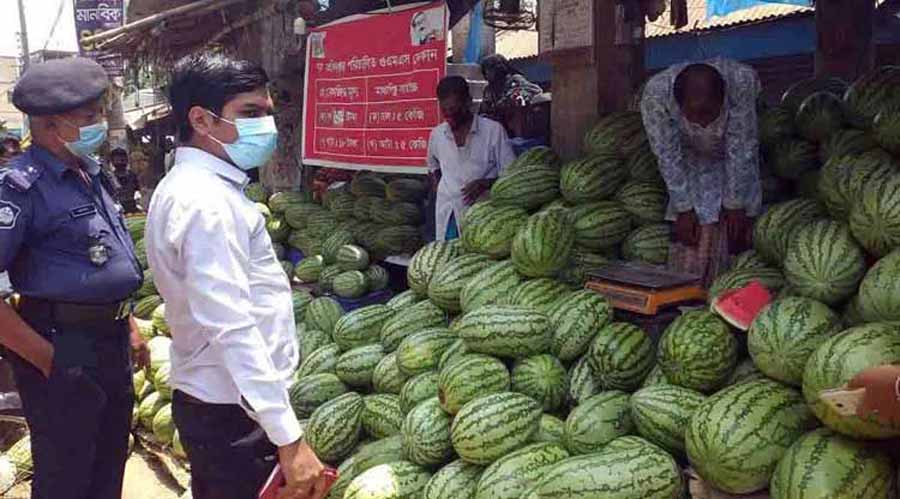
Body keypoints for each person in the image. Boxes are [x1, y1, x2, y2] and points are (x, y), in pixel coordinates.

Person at [144, 53, 326, 499]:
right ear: (201, 120)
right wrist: (287, 436)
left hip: (221, 404)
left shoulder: (191, 187)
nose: (266, 126)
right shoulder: (206, 202)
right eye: (249, 113)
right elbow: (231, 325)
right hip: (234, 412)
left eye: (267, 113)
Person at [0, 57, 148, 499]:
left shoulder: (91, 175)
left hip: (111, 341)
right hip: (61, 344)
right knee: (67, 476)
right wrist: (48, 359)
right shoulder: (18, 187)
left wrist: (131, 323)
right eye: (89, 117)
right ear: (49, 124)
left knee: (107, 467)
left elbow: (104, 264)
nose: (100, 124)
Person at [640, 58, 763, 287]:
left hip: (732, 153)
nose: (704, 123)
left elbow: (742, 146)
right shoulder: (655, 97)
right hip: (687, 156)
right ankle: (690, 291)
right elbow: (667, 154)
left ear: (723, 99)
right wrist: (684, 208)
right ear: (678, 104)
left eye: (710, 112)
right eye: (695, 114)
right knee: (693, 229)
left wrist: (735, 204)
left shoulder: (741, 82)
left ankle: (733, 285)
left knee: (737, 226)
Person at [427, 75, 515, 241]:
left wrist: (485, 184)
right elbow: (433, 167)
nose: (449, 116)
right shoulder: (437, 135)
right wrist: (442, 188)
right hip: (447, 214)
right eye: (444, 110)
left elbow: (511, 176)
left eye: (454, 110)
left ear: (468, 102)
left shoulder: (493, 131)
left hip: (484, 217)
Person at [479, 54, 543, 135]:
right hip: (495, 127)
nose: (487, 73)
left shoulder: (514, 79)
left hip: (513, 126)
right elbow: (483, 110)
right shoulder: (488, 89)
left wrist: (514, 95)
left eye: (489, 70)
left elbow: (535, 90)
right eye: (485, 71)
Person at [110, 147, 141, 214]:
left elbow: (138, 192)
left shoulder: (133, 176)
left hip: (133, 211)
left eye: (122, 158)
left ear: (127, 160)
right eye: (117, 159)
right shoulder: (109, 178)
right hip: (117, 212)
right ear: (112, 161)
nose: (120, 161)